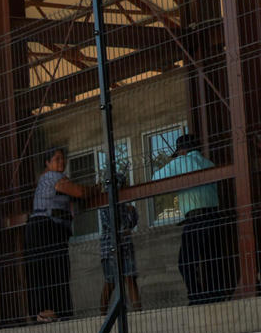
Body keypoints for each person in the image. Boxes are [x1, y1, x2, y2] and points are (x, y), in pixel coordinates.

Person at [154, 132, 232, 304]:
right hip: (214, 217)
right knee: (213, 260)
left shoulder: (179, 162)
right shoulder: (208, 163)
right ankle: (216, 295)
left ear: (181, 151)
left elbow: (155, 180)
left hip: (195, 220)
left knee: (186, 262)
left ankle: (196, 296)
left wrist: (172, 166)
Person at [25, 148, 89, 321]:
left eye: (63, 158)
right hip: (45, 228)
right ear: (47, 163)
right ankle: (49, 312)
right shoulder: (51, 176)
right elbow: (79, 192)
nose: (62, 162)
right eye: (57, 158)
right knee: (52, 271)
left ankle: (51, 313)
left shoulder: (54, 179)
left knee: (53, 271)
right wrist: (93, 190)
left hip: (47, 229)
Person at [97, 191, 141, 316]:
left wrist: (130, 213)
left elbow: (132, 223)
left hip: (126, 247)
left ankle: (139, 313)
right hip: (109, 248)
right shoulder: (106, 205)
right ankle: (102, 314)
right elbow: (114, 226)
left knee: (130, 278)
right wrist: (125, 227)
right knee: (110, 282)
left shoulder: (126, 207)